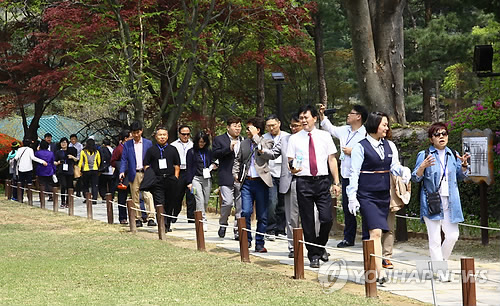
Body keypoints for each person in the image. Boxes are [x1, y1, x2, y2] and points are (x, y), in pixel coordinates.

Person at [347, 111, 411, 284]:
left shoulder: (389, 145)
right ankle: (380, 272)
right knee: (375, 232)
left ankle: (370, 270)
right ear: (374, 125)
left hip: (383, 194)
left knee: (373, 233)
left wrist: (404, 171)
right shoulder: (361, 147)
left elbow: (394, 166)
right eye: (384, 124)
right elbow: (354, 173)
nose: (386, 128)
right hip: (367, 195)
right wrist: (351, 196)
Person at [411, 122, 469, 281]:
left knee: (452, 235)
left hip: (451, 201)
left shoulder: (453, 154)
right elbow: (415, 178)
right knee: (435, 239)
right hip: (432, 201)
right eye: (437, 134)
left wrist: (464, 166)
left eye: (444, 133)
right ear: (431, 139)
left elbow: (461, 177)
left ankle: (439, 263)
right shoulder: (424, 155)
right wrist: (422, 166)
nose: (441, 137)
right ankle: (442, 272)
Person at [287, 105, 341, 268]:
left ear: (315, 118)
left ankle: (320, 245)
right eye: (301, 118)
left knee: (326, 218)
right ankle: (313, 255)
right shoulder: (294, 138)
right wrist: (293, 168)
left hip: (322, 181)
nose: (303, 121)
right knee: (308, 220)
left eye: (306, 117)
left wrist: (336, 181)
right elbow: (290, 160)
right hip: (303, 181)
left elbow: (332, 160)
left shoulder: (324, 136)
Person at [319, 104, 368, 248]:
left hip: (361, 176)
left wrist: (354, 151)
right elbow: (330, 128)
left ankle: (367, 237)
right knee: (347, 208)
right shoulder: (345, 130)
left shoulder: (365, 133)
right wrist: (322, 115)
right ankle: (349, 237)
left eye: (351, 113)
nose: (348, 115)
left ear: (358, 117)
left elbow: (369, 152)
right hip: (346, 175)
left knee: (364, 207)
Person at [233, 117, 275, 252]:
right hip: (247, 182)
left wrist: (256, 137)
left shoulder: (267, 141)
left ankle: (260, 243)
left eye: (250, 128)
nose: (247, 131)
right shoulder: (243, 143)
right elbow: (238, 160)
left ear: (257, 130)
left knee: (262, 215)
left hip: (261, 182)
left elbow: (267, 153)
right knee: (246, 211)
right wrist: (235, 173)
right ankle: (247, 240)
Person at [143, 126, 180, 232]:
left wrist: (175, 177)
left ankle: (167, 223)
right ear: (156, 136)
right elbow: (146, 164)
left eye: (164, 135)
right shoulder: (151, 150)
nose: (162, 137)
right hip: (157, 180)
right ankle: (161, 224)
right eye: (160, 135)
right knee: (159, 202)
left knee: (170, 202)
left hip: (170, 179)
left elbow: (177, 165)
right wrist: (150, 175)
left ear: (167, 136)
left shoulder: (172, 149)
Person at [119, 121, 156, 227]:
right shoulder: (128, 144)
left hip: (146, 172)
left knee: (148, 195)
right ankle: (137, 218)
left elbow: (152, 158)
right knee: (135, 196)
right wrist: (122, 171)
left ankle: (151, 217)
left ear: (141, 131)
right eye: (134, 133)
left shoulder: (148, 143)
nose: (136, 135)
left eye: (138, 132)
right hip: (133, 172)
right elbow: (124, 159)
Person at [212, 116, 243, 240]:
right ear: (228, 127)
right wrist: (229, 148)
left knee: (240, 206)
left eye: (239, 126)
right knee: (228, 202)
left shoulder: (244, 140)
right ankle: (223, 223)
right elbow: (214, 154)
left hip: (240, 177)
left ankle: (238, 230)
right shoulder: (220, 140)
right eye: (235, 126)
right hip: (226, 175)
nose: (237, 128)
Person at [263, 114, 289, 240]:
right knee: (272, 202)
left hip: (284, 173)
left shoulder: (287, 137)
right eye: (268, 126)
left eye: (273, 125)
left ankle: (281, 229)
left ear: (279, 123)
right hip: (270, 173)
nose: (271, 128)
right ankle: (270, 229)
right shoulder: (263, 138)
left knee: (283, 204)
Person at [186, 131, 216, 230]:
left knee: (205, 200)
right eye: (200, 142)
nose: (201, 144)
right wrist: (189, 182)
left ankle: (200, 215)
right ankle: (202, 220)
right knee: (199, 199)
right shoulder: (191, 152)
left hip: (206, 177)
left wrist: (213, 166)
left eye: (203, 142)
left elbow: (213, 161)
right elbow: (189, 167)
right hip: (196, 178)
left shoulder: (208, 151)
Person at [171, 125, 195, 222]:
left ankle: (191, 217)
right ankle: (174, 214)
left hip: (190, 171)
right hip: (179, 171)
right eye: (183, 134)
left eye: (188, 134)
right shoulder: (174, 145)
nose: (185, 136)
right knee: (177, 195)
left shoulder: (193, 145)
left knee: (192, 195)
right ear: (179, 134)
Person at [111, 129, 131, 224]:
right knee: (122, 198)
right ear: (125, 138)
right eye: (130, 137)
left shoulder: (132, 147)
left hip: (132, 174)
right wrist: (122, 166)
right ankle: (122, 217)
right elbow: (113, 161)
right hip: (122, 175)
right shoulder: (119, 149)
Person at [54, 137, 78, 208]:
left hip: (70, 171)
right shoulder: (58, 152)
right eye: (62, 142)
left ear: (67, 143)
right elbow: (54, 161)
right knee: (63, 186)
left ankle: (68, 202)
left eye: (65, 142)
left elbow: (76, 160)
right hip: (61, 171)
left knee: (69, 186)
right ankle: (63, 201)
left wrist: (72, 157)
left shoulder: (71, 151)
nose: (63, 144)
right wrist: (58, 162)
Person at [78, 139, 101, 205]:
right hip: (95, 170)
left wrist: (79, 169)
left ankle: (86, 198)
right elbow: (99, 161)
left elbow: (81, 161)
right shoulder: (96, 152)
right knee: (94, 185)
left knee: (85, 185)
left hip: (86, 170)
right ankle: (94, 199)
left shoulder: (83, 151)